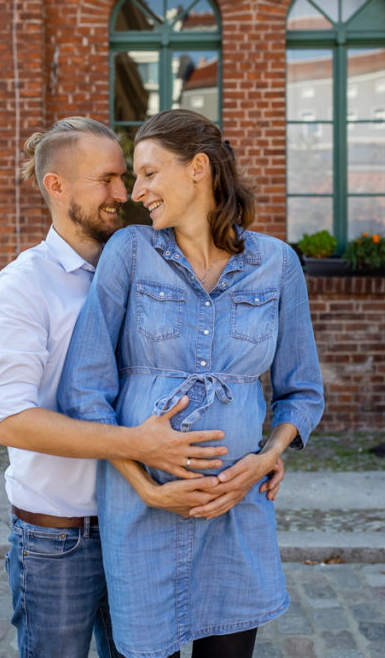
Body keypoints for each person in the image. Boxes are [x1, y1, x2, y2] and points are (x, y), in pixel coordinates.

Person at [0, 116, 285, 658]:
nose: (126, 194)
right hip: (63, 533)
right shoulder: (26, 284)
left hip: (145, 524)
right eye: (109, 180)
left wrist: (262, 449)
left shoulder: (145, 259)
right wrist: (140, 452)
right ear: (57, 186)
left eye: (131, 176)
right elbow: (11, 421)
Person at [57, 109, 325, 658]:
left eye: (150, 173)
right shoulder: (129, 252)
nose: (138, 191)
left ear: (198, 167)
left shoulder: (276, 263)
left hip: (235, 508)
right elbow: (85, 388)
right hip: (144, 514)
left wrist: (266, 455)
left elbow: (303, 391)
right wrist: (145, 485)